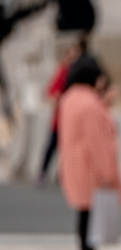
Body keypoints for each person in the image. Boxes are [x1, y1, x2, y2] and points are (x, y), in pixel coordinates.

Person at [57, 56, 121, 250]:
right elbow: (98, 141)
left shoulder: (69, 99)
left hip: (74, 167)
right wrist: (107, 173)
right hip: (91, 172)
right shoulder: (90, 103)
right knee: (91, 219)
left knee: (84, 216)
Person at [38, 36, 88, 187]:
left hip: (72, 119)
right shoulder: (63, 70)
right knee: (52, 146)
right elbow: (51, 92)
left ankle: (64, 175)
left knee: (69, 150)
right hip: (60, 118)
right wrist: (60, 98)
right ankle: (43, 172)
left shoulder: (81, 72)